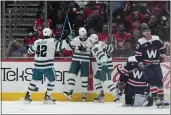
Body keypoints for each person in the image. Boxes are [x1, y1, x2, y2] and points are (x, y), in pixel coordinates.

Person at [135, 23, 169, 108]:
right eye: (145, 31)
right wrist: (140, 63)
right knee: (152, 82)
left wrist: (162, 55)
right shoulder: (140, 41)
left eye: (148, 31)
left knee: (160, 83)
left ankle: (161, 99)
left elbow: (162, 48)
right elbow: (138, 55)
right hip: (147, 66)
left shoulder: (156, 38)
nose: (147, 32)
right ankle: (155, 99)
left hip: (156, 65)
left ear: (150, 31)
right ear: (142, 33)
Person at [24, 28, 60, 104]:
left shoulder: (37, 41)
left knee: (34, 81)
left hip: (37, 66)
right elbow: (58, 46)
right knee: (52, 80)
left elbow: (30, 51)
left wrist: (29, 47)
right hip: (47, 66)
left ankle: (27, 96)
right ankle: (47, 96)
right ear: (50, 34)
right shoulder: (52, 41)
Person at [62, 27, 93, 101]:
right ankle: (70, 92)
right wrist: (67, 41)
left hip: (85, 61)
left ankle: (84, 94)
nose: (83, 37)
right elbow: (68, 48)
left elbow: (94, 50)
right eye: (82, 36)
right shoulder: (75, 39)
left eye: (84, 35)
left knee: (84, 78)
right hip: (75, 60)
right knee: (71, 75)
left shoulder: (90, 41)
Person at [89, 34, 116, 102]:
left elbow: (102, 56)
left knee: (107, 81)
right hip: (103, 65)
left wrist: (104, 65)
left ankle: (116, 95)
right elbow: (110, 49)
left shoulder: (94, 48)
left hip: (104, 65)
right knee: (96, 78)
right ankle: (100, 94)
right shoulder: (102, 43)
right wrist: (111, 45)